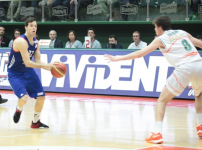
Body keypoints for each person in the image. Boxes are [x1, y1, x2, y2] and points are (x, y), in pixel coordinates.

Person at [105, 15, 202, 144]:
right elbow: (200, 44)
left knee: (162, 100)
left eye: (155, 27)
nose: (155, 30)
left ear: (160, 27)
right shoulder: (182, 32)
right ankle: (200, 127)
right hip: (199, 64)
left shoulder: (161, 39)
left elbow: (139, 54)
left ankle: (157, 133)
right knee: (199, 94)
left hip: (184, 68)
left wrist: (118, 58)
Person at [7, 17, 59, 128]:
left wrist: (52, 68)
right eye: (31, 25)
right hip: (15, 73)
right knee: (23, 99)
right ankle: (19, 109)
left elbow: (38, 61)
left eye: (35, 25)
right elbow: (27, 62)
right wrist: (47, 65)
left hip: (28, 73)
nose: (33, 28)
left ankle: (35, 122)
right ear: (25, 27)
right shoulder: (21, 41)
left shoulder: (35, 42)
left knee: (41, 97)